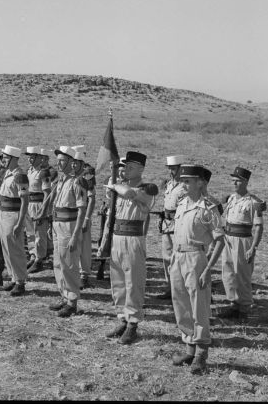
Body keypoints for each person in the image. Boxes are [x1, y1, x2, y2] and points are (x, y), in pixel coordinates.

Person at [170, 164, 225, 375]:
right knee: (181, 303)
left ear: (200, 183)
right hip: (178, 257)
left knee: (198, 306)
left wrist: (208, 268)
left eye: (188, 181)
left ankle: (201, 353)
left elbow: (220, 239)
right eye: (182, 180)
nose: (183, 184)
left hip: (196, 258)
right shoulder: (182, 204)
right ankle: (189, 349)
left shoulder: (208, 208)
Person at [100, 151, 157, 345]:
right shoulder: (119, 187)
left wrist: (115, 184)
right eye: (124, 166)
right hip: (117, 236)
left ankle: (133, 324)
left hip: (133, 239)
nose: (125, 170)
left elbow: (130, 194)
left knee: (133, 282)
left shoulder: (148, 189)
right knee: (118, 282)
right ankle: (122, 318)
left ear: (141, 169)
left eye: (130, 167)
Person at [41, 145, 87, 318]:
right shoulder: (61, 181)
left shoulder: (77, 181)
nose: (58, 164)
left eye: (62, 161)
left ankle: (72, 301)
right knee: (58, 263)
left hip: (69, 226)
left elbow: (82, 209)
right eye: (58, 161)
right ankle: (64, 295)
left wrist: (76, 235)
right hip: (57, 224)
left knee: (69, 264)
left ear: (72, 162)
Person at [220, 167, 265, 321]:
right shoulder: (231, 198)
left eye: (237, 180)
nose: (234, 183)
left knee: (242, 274)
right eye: (233, 180)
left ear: (245, 182)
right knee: (228, 273)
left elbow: (258, 226)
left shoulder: (253, 202)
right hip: (228, 238)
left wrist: (253, 247)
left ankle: (244, 309)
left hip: (243, 240)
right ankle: (233, 304)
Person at [0, 145, 30, 296]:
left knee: (15, 249)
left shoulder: (20, 176)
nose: (2, 160)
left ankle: (20, 281)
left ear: (13, 159)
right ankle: (13, 277)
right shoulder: (8, 174)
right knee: (6, 248)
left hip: (13, 215)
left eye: (5, 158)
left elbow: (24, 200)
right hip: (4, 214)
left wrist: (19, 222)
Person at [158, 155, 188, 300]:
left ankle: (179, 289)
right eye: (169, 168)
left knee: (178, 258)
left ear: (180, 169)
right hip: (166, 225)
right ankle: (170, 287)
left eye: (173, 168)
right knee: (166, 257)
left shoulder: (185, 186)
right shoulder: (169, 185)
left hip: (178, 225)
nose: (171, 171)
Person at [71, 146, 96, 289]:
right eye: (72, 161)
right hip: (72, 216)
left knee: (85, 247)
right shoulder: (70, 175)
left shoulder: (87, 175)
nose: (74, 164)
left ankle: (84, 275)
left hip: (83, 215)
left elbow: (92, 199)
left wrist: (87, 218)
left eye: (76, 162)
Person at [25, 146, 52, 274]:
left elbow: (47, 193)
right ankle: (33, 255)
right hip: (29, 204)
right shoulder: (29, 171)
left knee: (39, 233)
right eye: (29, 157)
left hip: (39, 204)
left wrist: (43, 211)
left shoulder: (44, 172)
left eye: (32, 157)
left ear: (39, 158)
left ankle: (40, 259)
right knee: (30, 233)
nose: (30, 159)